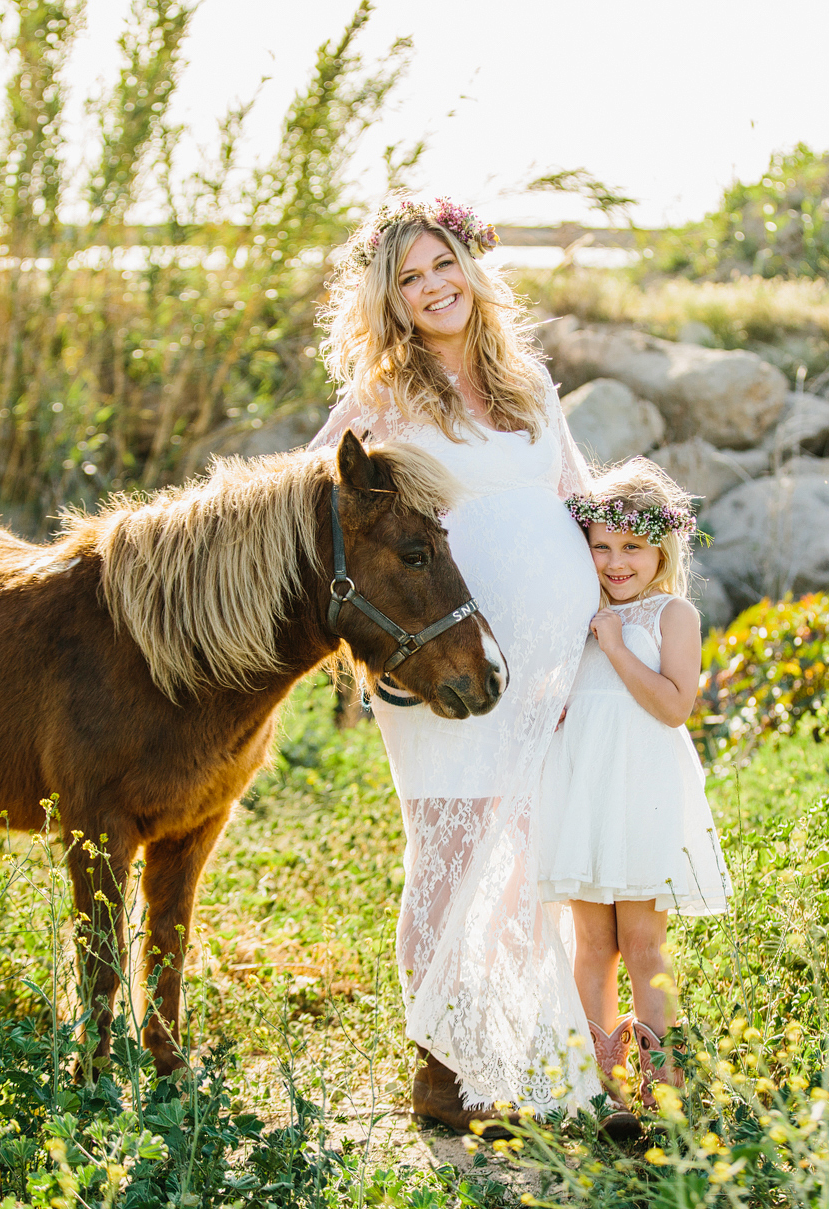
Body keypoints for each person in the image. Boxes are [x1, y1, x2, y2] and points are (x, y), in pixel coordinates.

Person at [308, 195, 601, 1132]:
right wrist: (367, 647)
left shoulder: (530, 382)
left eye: (444, 265)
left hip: (553, 659)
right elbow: (314, 516)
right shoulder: (381, 399)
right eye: (410, 278)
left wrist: (635, 595)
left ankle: (513, 1056)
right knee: (448, 847)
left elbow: (577, 495)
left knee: (525, 856)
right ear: (389, 301)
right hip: (444, 656)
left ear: (472, 268)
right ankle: (442, 1068)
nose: (434, 287)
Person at [537, 458, 733, 1112]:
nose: (616, 562)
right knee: (592, 943)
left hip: (643, 792)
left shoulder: (672, 616)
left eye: (632, 547)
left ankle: (665, 1091)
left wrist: (618, 647)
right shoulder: (577, 615)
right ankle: (604, 1088)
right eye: (602, 547)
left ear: (661, 548)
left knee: (643, 941)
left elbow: (676, 706)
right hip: (585, 790)